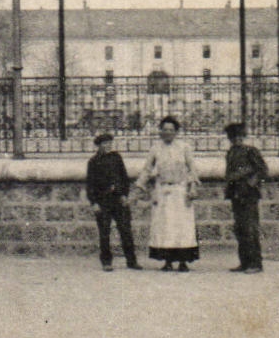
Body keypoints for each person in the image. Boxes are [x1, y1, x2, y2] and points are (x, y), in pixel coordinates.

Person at [136, 115, 200, 271]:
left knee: (182, 226)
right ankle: (168, 261)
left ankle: (183, 262)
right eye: (164, 130)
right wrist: (139, 185)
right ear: (160, 131)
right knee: (165, 226)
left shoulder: (184, 147)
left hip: (180, 191)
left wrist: (192, 188)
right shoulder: (155, 148)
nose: (167, 133)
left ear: (176, 132)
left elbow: (192, 169)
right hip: (162, 191)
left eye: (171, 130)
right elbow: (147, 169)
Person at [85, 133, 140, 272]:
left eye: (109, 143)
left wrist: (124, 194)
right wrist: (94, 203)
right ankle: (106, 262)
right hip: (103, 201)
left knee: (125, 230)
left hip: (118, 200)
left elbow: (124, 178)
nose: (108, 146)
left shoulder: (117, 158)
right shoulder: (93, 162)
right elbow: (90, 184)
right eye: (104, 143)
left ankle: (131, 261)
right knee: (104, 232)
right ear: (98, 145)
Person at [223, 121, 267, 274]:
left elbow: (262, 170)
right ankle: (245, 262)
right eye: (233, 137)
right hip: (236, 194)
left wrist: (251, 184)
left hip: (248, 195)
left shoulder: (251, 151)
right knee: (240, 229)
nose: (237, 140)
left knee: (250, 228)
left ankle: (255, 263)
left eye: (240, 136)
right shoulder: (231, 153)